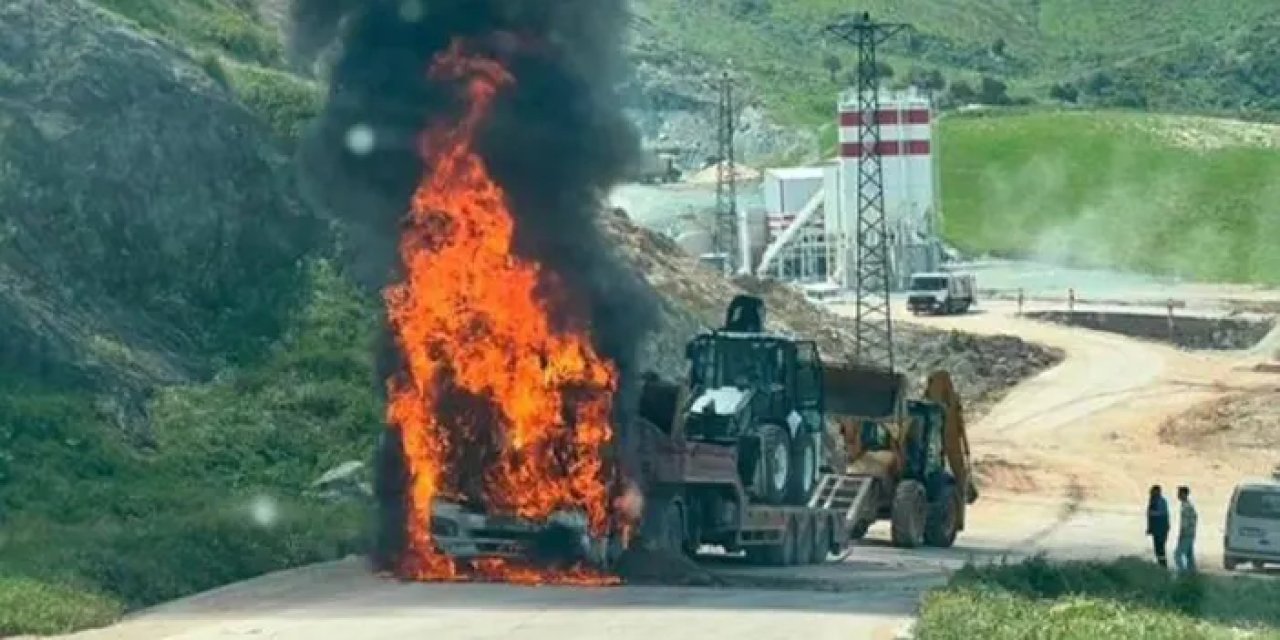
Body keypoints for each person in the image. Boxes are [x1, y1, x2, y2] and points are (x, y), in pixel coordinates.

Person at [1175, 485, 1198, 574]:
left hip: (1187, 534)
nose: (1178, 495)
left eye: (1179, 493)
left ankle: (1182, 572)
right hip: (1190, 533)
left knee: (1177, 554)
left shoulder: (1186, 507)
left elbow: (1185, 523)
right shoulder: (1187, 506)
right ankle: (1192, 573)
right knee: (1189, 556)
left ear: (1184, 494)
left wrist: (1182, 534)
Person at [1146, 485, 1170, 567]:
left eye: (1154, 491)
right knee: (1157, 549)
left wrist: (1152, 513)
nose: (1152, 493)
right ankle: (1161, 564)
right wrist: (1150, 528)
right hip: (1156, 529)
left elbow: (1162, 513)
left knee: (1160, 548)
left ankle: (1163, 566)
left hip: (1161, 528)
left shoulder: (1161, 501)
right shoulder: (1152, 501)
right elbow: (1150, 517)